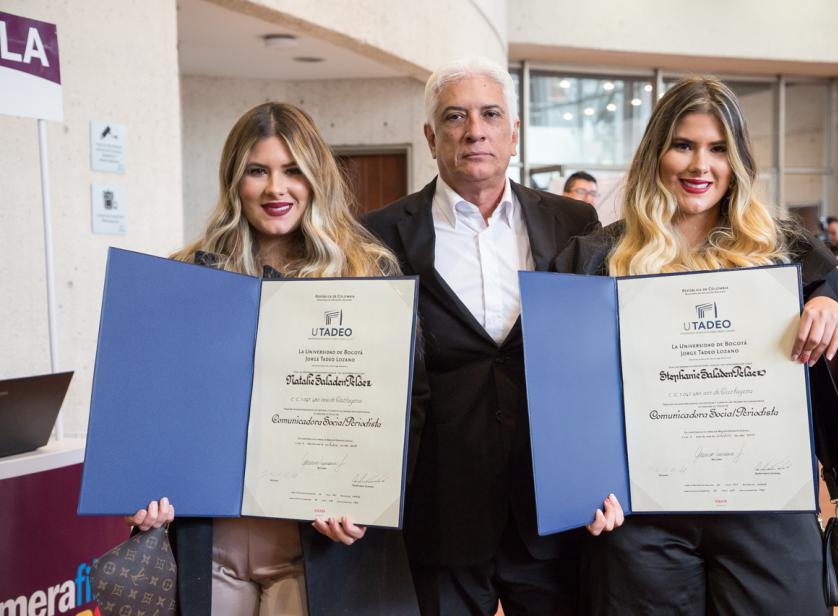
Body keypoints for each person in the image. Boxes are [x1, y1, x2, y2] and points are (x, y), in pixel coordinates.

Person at [555, 77, 838, 614]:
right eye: (683, 145)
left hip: (766, 507)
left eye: (717, 149)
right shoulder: (600, 257)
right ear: (655, 153)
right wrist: (583, 487)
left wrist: (831, 310)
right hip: (643, 515)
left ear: (738, 161)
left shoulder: (785, 252)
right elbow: (564, 385)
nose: (700, 166)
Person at [128, 102, 422, 615]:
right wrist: (141, 488)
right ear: (233, 180)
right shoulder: (187, 275)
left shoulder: (367, 276)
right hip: (211, 540)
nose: (276, 189)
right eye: (257, 171)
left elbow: (405, 404)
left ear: (316, 178)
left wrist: (369, 500)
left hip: (317, 546)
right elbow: (155, 399)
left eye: (292, 171)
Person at [365, 57, 603, 615]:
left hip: (552, 509)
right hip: (439, 511)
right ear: (431, 137)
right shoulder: (378, 234)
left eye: (491, 114)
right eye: (456, 116)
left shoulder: (575, 223)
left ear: (513, 133)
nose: (475, 130)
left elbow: (598, 355)